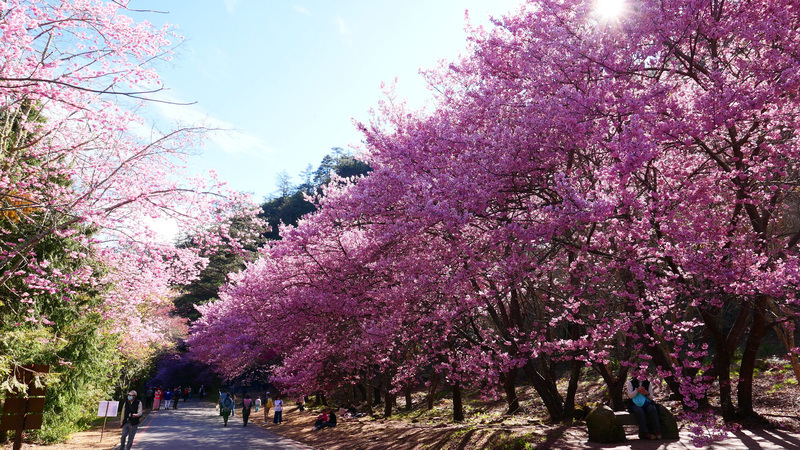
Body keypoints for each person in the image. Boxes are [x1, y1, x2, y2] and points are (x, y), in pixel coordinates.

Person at [626, 376, 661, 440]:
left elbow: (651, 397)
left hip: (646, 403)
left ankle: (656, 429)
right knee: (640, 411)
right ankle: (645, 432)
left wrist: (647, 393)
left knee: (652, 409)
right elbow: (630, 396)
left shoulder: (648, 383)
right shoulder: (631, 383)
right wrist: (637, 390)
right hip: (634, 403)